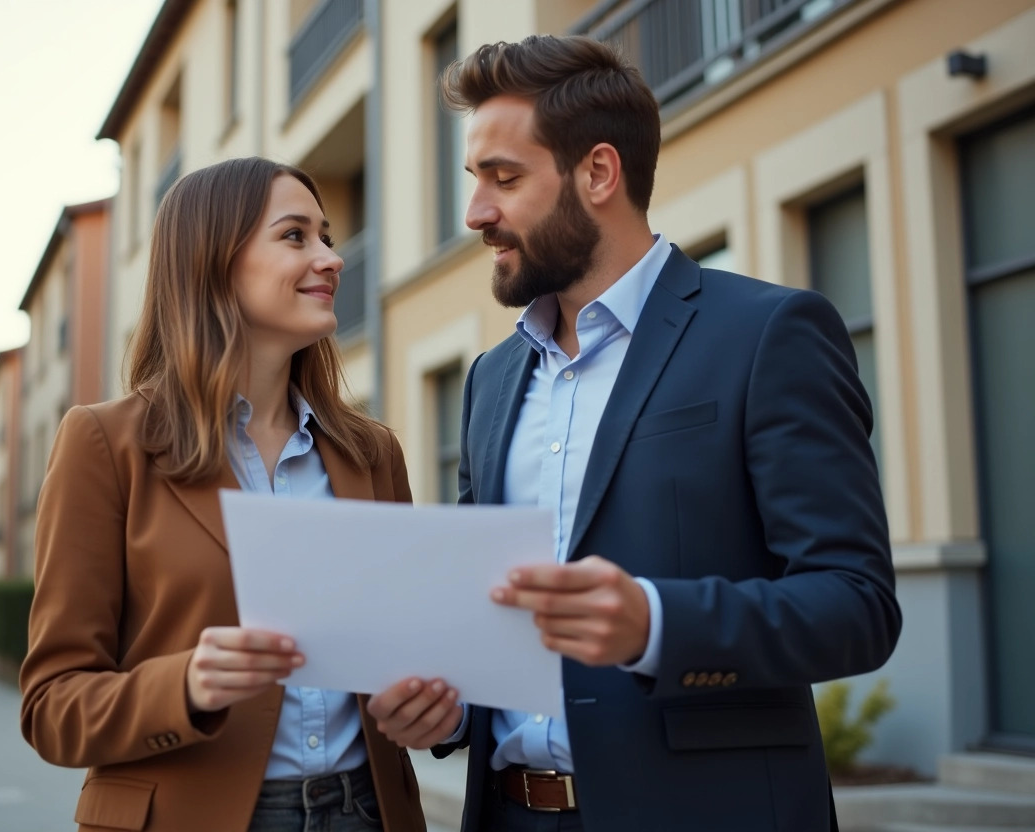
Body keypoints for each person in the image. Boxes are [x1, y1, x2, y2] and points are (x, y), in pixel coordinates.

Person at [367, 35, 901, 831]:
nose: (476, 212)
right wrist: (446, 710)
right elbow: (489, 618)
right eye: (475, 180)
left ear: (599, 173)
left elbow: (856, 606)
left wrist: (655, 623)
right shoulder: (490, 379)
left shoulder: (769, 334)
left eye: (503, 178)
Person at [20, 157, 426, 832]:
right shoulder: (105, 444)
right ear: (213, 261)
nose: (330, 258)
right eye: (295, 236)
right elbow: (51, 708)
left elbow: (408, 648)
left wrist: (427, 702)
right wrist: (186, 686)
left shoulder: (371, 453)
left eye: (326, 237)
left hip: (368, 813)